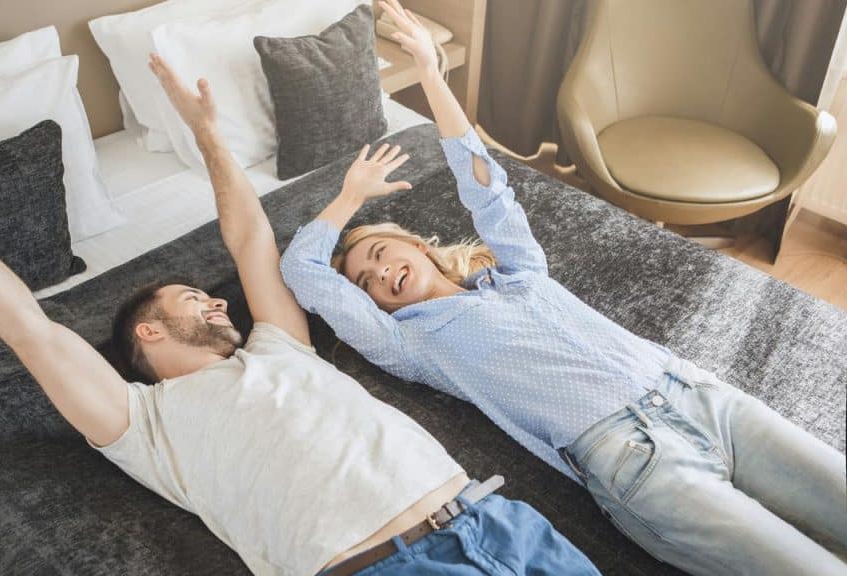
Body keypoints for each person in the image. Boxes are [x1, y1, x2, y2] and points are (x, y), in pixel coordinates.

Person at [0, 54, 599, 575]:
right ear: (146, 331)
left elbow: (249, 242)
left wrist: (206, 129)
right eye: (190, 300)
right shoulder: (137, 422)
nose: (216, 300)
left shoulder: (279, 349)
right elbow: (24, 323)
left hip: (496, 520)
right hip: (390, 566)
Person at [278, 1, 847, 575]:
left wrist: (430, 71)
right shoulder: (410, 345)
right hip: (636, 463)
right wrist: (350, 197)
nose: (378, 276)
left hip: (697, 394)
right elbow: (304, 270)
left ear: (418, 245)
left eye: (378, 254)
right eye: (366, 285)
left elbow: (487, 186)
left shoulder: (519, 270)